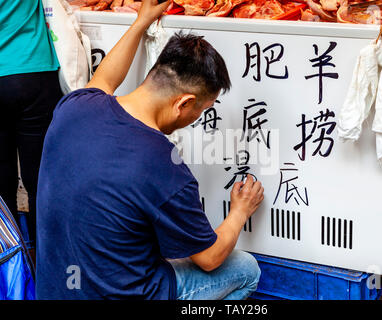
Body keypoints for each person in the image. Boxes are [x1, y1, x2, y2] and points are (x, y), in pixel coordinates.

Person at [36, 0, 264, 300]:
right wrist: (240, 210)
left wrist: (140, 23)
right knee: (247, 270)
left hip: (54, 290)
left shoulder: (75, 106)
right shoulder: (163, 166)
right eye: (203, 109)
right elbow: (210, 258)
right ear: (183, 103)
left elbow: (105, 78)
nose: (199, 117)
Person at [0, 0, 62, 253]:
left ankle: (12, 271)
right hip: (32, 69)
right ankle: (46, 269)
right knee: (42, 181)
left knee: (1, 186)